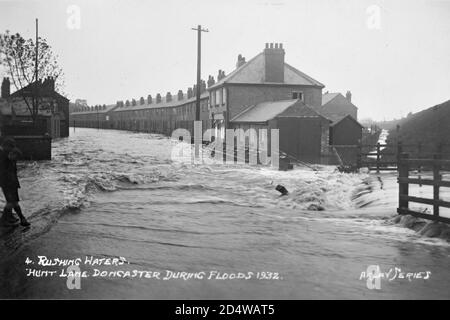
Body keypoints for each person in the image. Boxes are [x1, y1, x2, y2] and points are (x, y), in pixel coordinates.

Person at [0, 138, 30, 227]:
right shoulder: (3, 156)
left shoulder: (8, 155)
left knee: (14, 201)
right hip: (7, 183)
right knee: (11, 202)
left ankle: (11, 217)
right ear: (6, 146)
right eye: (11, 147)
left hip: (12, 182)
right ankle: (5, 220)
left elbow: (13, 170)